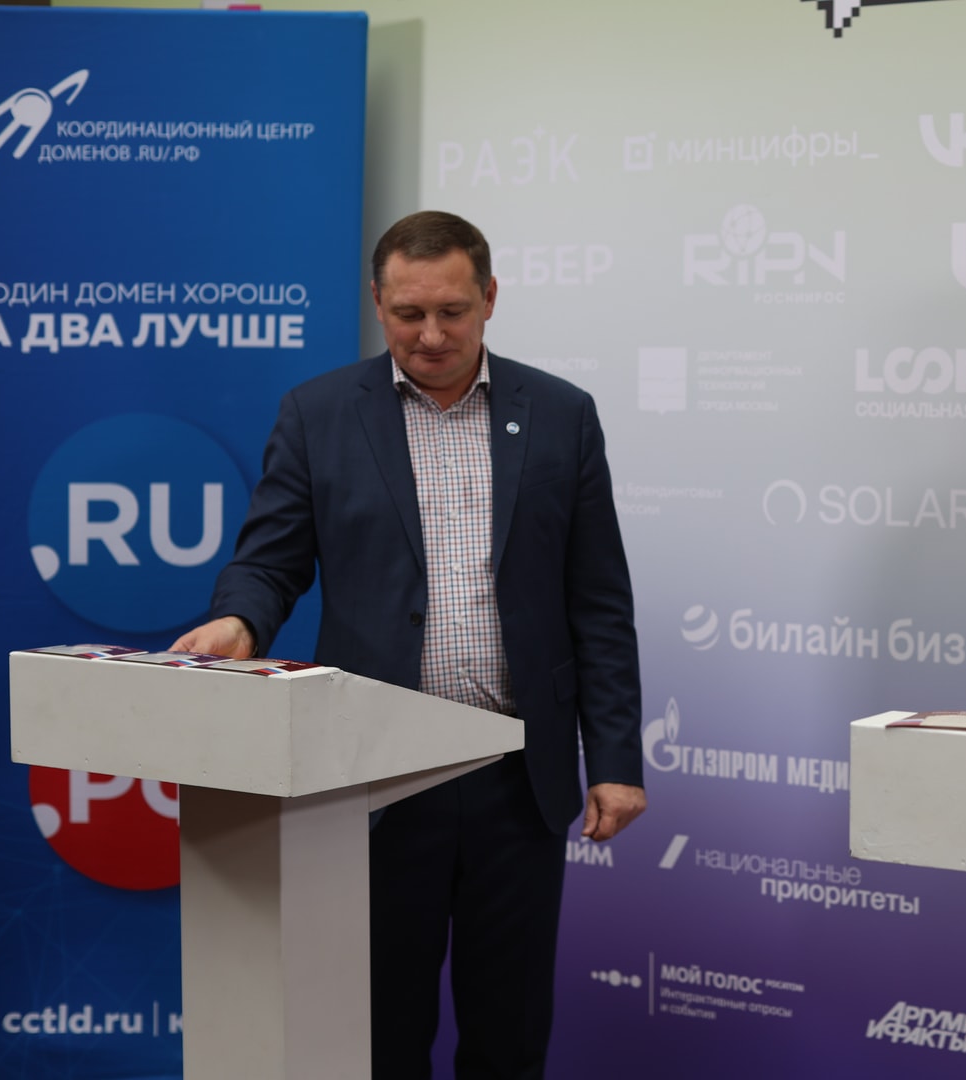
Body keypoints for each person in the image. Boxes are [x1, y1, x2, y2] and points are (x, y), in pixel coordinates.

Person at [172, 210, 645, 1079]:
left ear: (490, 298)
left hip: (518, 777)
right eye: (408, 314)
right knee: (379, 1036)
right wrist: (242, 620)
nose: (430, 335)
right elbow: (269, 562)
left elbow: (599, 603)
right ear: (377, 303)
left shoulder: (561, 415)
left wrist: (614, 758)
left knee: (509, 1038)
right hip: (375, 780)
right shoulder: (318, 414)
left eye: (452, 312)